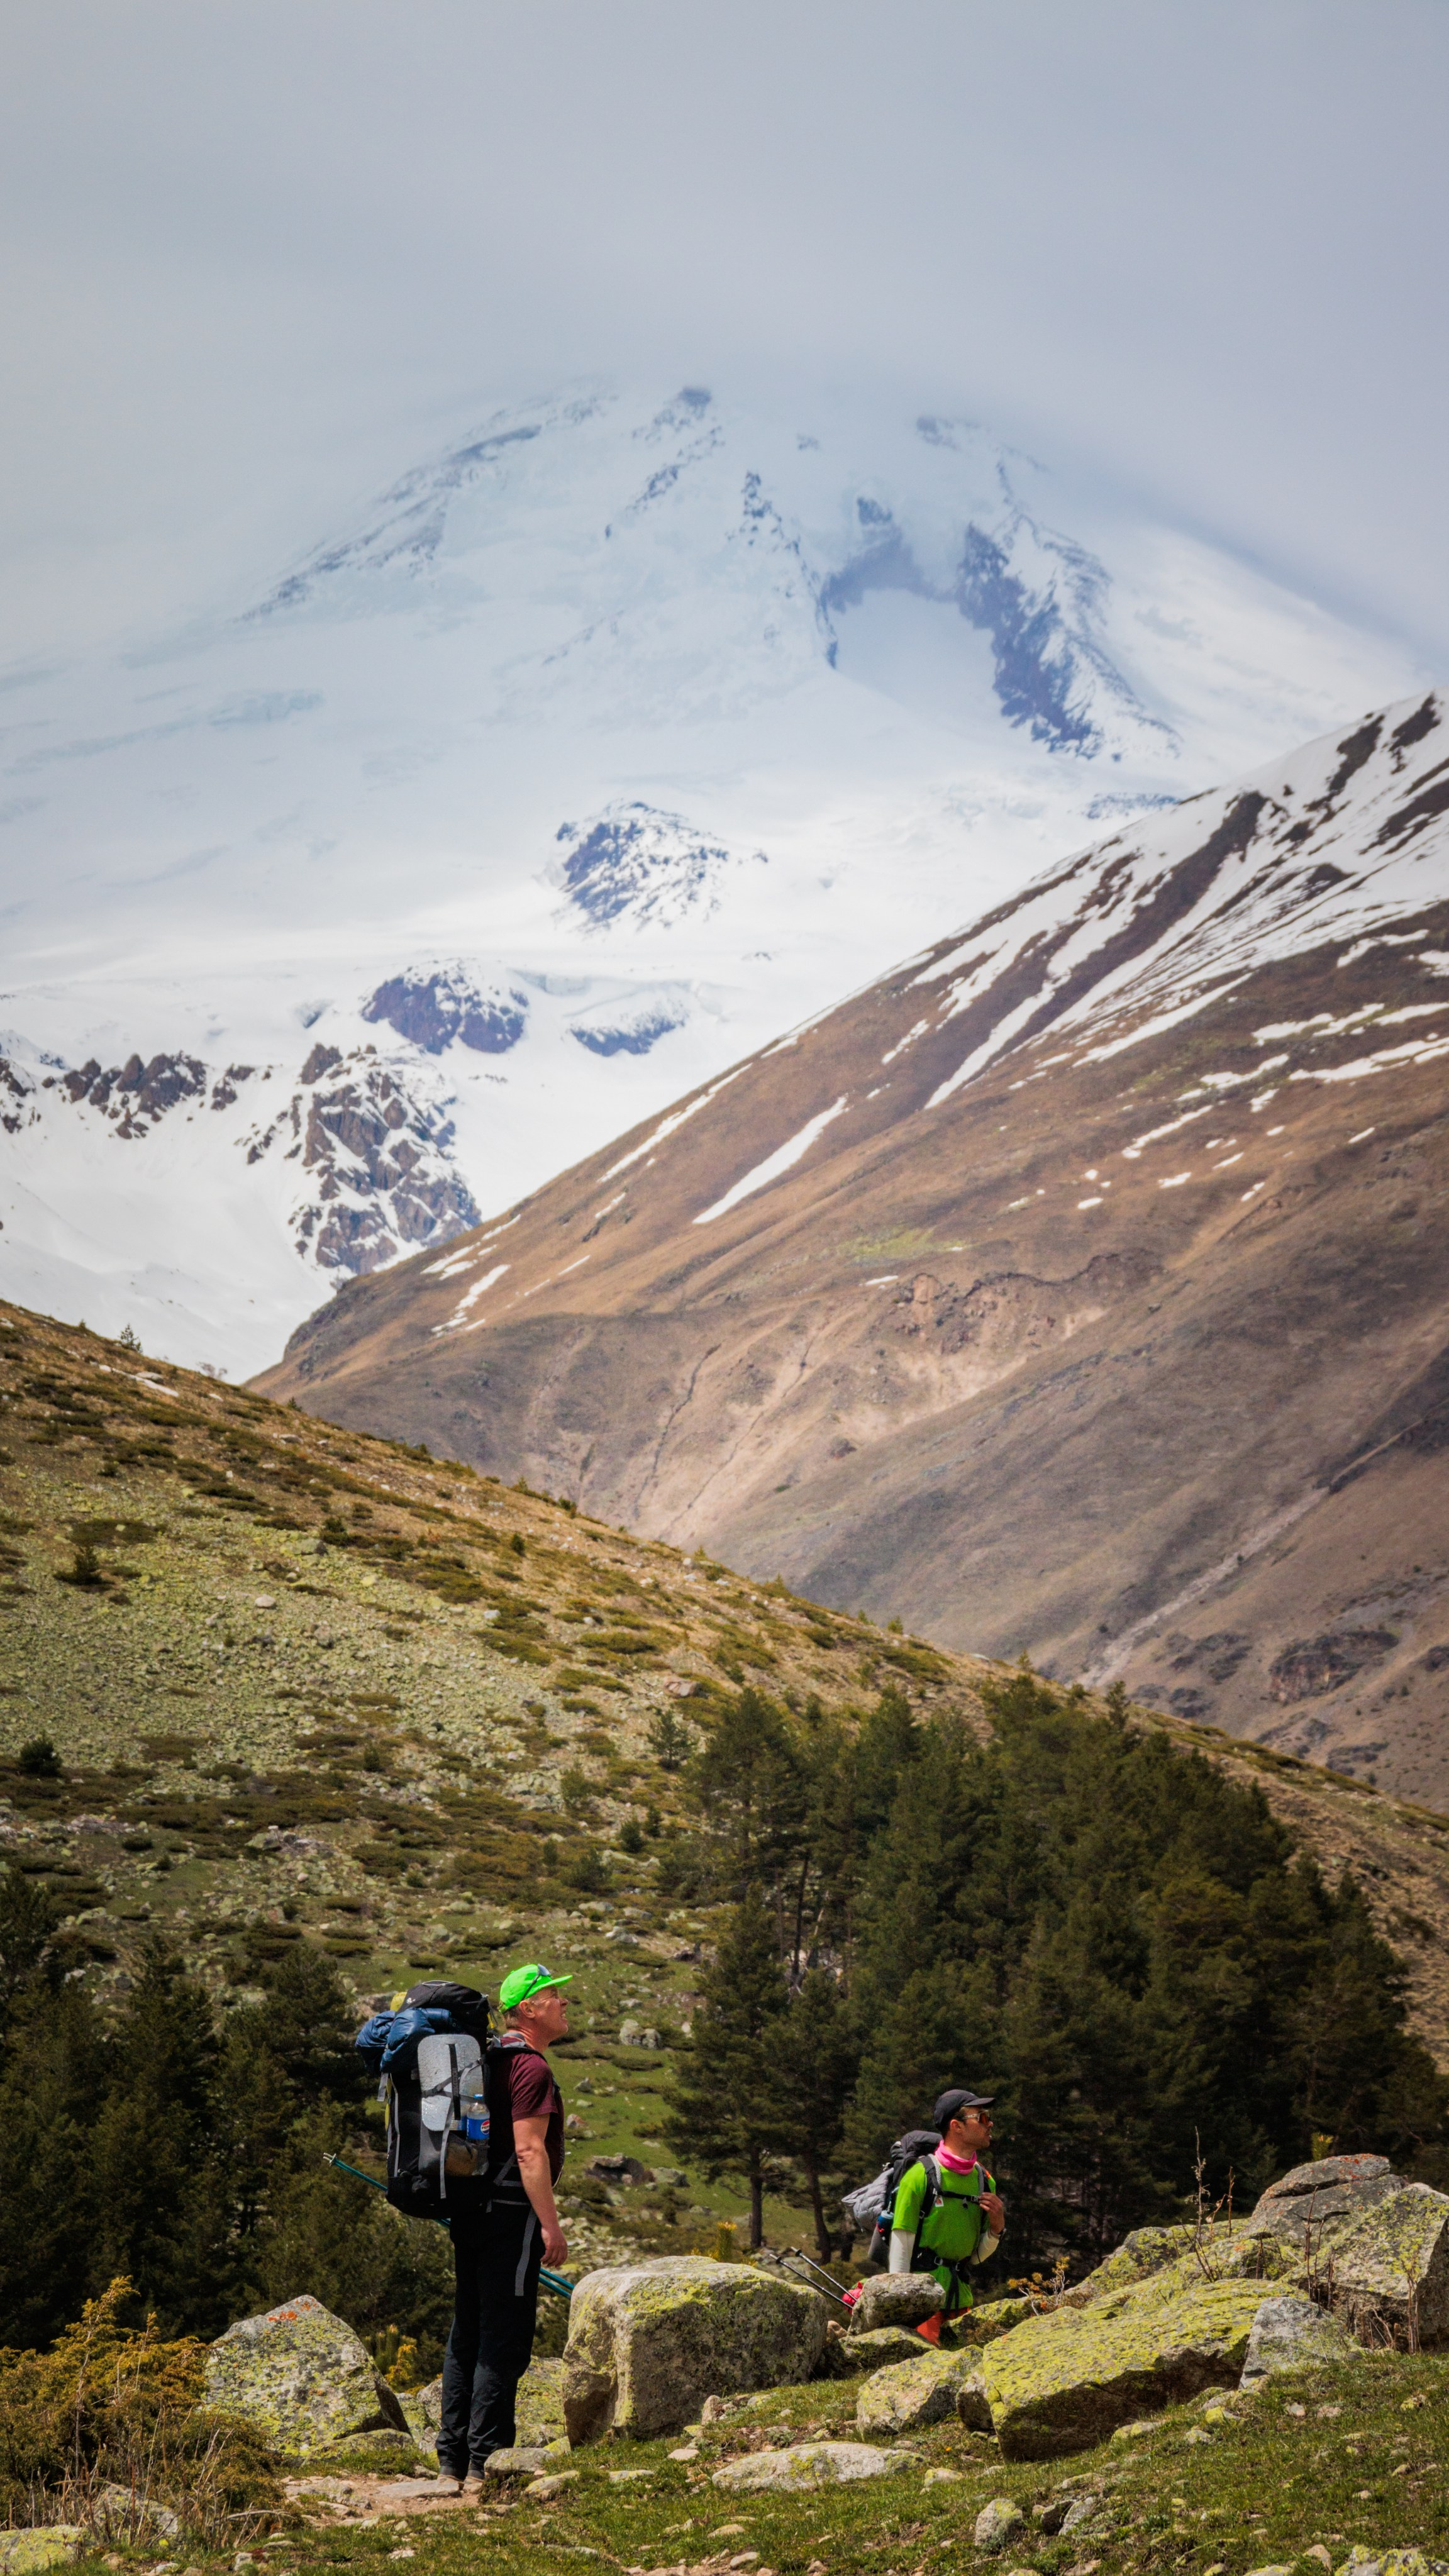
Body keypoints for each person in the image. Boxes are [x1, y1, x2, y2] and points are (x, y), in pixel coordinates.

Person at [438, 1961, 572, 2491]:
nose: (563, 2002)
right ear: (528, 2009)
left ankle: (452, 2459)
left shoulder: (488, 2061)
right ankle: (487, 2462)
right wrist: (550, 2228)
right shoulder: (530, 2069)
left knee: (467, 2331)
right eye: (554, 1994)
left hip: (471, 2210)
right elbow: (528, 2150)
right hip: (510, 2216)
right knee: (505, 2336)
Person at [887, 2086, 1005, 2328]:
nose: (990, 2123)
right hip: (921, 2304)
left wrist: (996, 2229)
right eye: (982, 2118)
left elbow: (975, 2258)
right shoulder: (919, 2177)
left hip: (961, 2300)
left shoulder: (984, 2180)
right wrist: (900, 2312)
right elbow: (902, 2247)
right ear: (956, 2126)